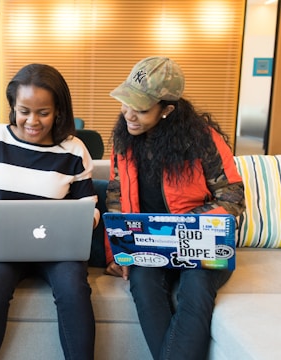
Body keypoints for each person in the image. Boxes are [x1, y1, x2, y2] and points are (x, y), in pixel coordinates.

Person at [104, 56, 245, 360]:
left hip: (203, 243)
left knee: (193, 290)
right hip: (150, 244)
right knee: (142, 284)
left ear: (167, 110)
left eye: (140, 108)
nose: (128, 114)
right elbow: (116, 197)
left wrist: (184, 226)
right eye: (126, 102)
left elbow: (232, 196)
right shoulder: (123, 141)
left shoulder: (203, 141)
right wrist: (118, 252)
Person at [0, 63, 99, 360]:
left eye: (43, 113)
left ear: (59, 110)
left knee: (74, 288)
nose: (32, 121)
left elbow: (89, 205)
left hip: (59, 248)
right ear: (13, 107)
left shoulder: (74, 150)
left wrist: (86, 219)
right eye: (24, 111)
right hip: (3, 245)